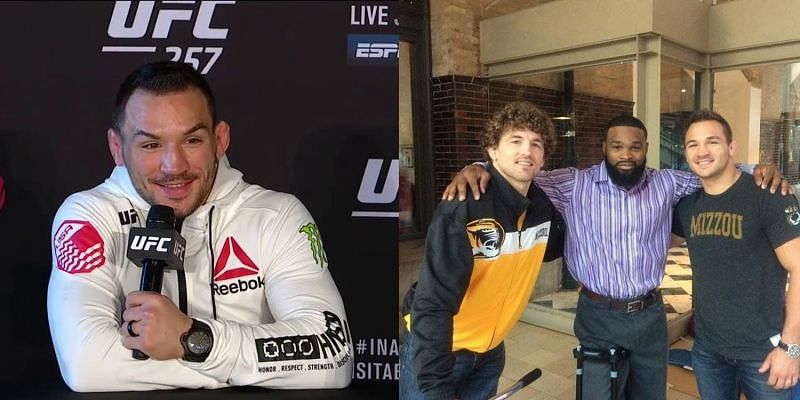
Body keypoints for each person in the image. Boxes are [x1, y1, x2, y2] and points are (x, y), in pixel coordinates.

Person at [47, 61, 352, 392]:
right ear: (117, 148)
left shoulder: (276, 215)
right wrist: (243, 365)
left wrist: (191, 339)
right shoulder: (87, 217)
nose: (173, 165)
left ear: (220, 140)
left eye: (192, 140)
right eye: (151, 144)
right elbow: (87, 366)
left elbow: (332, 356)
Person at [443, 115, 791, 399]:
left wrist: (759, 169)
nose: (627, 154)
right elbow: (521, 172)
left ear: (646, 150)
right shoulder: (573, 184)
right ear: (604, 149)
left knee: (649, 395)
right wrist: (478, 166)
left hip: (649, 316)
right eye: (617, 146)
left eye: (635, 147)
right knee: (600, 392)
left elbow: (715, 172)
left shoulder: (667, 183)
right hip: (597, 315)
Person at [400, 101, 563, 399]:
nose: (527, 151)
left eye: (536, 144)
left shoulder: (543, 208)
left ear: (543, 158)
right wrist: (436, 387)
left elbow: (553, 249)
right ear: (492, 150)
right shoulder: (464, 206)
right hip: (441, 353)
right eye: (516, 140)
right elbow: (433, 304)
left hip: (490, 353)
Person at [672, 110, 800, 400]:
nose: (702, 151)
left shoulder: (768, 196)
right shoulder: (687, 207)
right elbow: (651, 242)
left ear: (731, 147)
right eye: (693, 144)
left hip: (764, 353)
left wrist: (791, 348)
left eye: (712, 142)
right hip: (707, 350)